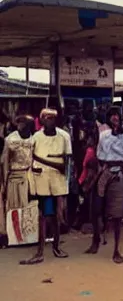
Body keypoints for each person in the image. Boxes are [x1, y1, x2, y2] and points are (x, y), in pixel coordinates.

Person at [20, 109, 72, 265]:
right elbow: (29, 160)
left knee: (57, 214)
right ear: (41, 120)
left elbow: (66, 162)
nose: (50, 120)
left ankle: (56, 247)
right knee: (43, 215)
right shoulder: (36, 137)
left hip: (58, 179)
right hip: (41, 178)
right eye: (47, 118)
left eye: (52, 118)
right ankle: (40, 251)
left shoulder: (64, 136)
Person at [85, 106, 123, 264]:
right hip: (105, 171)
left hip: (119, 173)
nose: (115, 118)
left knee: (117, 214)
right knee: (96, 208)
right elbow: (99, 155)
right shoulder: (103, 134)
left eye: (117, 115)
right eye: (112, 115)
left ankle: (116, 250)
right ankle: (96, 239)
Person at [1, 115, 36, 247]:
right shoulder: (10, 140)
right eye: (21, 123)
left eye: (25, 123)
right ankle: (13, 237)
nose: (22, 126)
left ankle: (28, 236)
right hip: (14, 178)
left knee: (28, 208)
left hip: (30, 177)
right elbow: (5, 163)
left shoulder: (34, 140)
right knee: (14, 208)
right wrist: (4, 183)